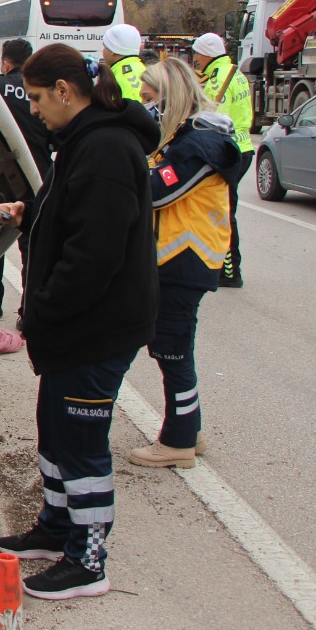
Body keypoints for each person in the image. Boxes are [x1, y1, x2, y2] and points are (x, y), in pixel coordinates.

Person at [0, 43, 159, 601]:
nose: (33, 109)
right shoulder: (82, 140)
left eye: (38, 99)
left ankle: (88, 559)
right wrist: (30, 213)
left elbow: (96, 253)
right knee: (56, 428)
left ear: (65, 92)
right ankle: (57, 526)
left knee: (83, 440)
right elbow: (71, 210)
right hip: (74, 326)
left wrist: (46, 308)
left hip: (96, 325)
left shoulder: (108, 148)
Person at [128, 58, 239, 470]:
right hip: (180, 257)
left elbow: (158, 192)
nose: (146, 107)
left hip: (184, 259)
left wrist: (126, 167)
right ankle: (188, 428)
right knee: (173, 347)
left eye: (149, 99)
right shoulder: (186, 137)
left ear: (170, 98)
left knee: (173, 350)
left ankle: (177, 442)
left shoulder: (198, 144)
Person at [0, 38, 52, 320]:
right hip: (38, 175)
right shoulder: (41, 92)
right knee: (33, 245)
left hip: (0, 177)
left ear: (5, 62)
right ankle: (27, 311)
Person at [190, 32, 253, 288]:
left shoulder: (218, 80)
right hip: (243, 146)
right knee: (225, 209)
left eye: (196, 53)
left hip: (229, 151)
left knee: (223, 211)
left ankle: (229, 270)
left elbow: (212, 120)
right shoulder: (235, 73)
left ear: (206, 53)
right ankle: (226, 267)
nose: (194, 58)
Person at [101, 24, 146, 102]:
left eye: (105, 47)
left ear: (112, 50)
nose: (103, 50)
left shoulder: (119, 77)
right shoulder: (143, 69)